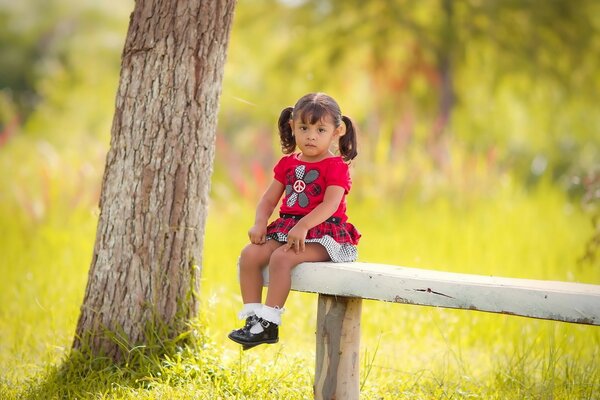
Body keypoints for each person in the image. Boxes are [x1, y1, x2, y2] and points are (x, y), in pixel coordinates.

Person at [228, 92, 361, 350]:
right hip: (289, 227)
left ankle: (269, 323)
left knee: (281, 258)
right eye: (304, 128)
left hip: (324, 233)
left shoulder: (336, 166)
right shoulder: (288, 163)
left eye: (320, 130)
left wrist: (303, 226)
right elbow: (268, 200)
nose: (311, 136)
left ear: (336, 132)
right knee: (250, 254)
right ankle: (253, 319)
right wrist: (259, 222)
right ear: (292, 127)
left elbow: (330, 204)